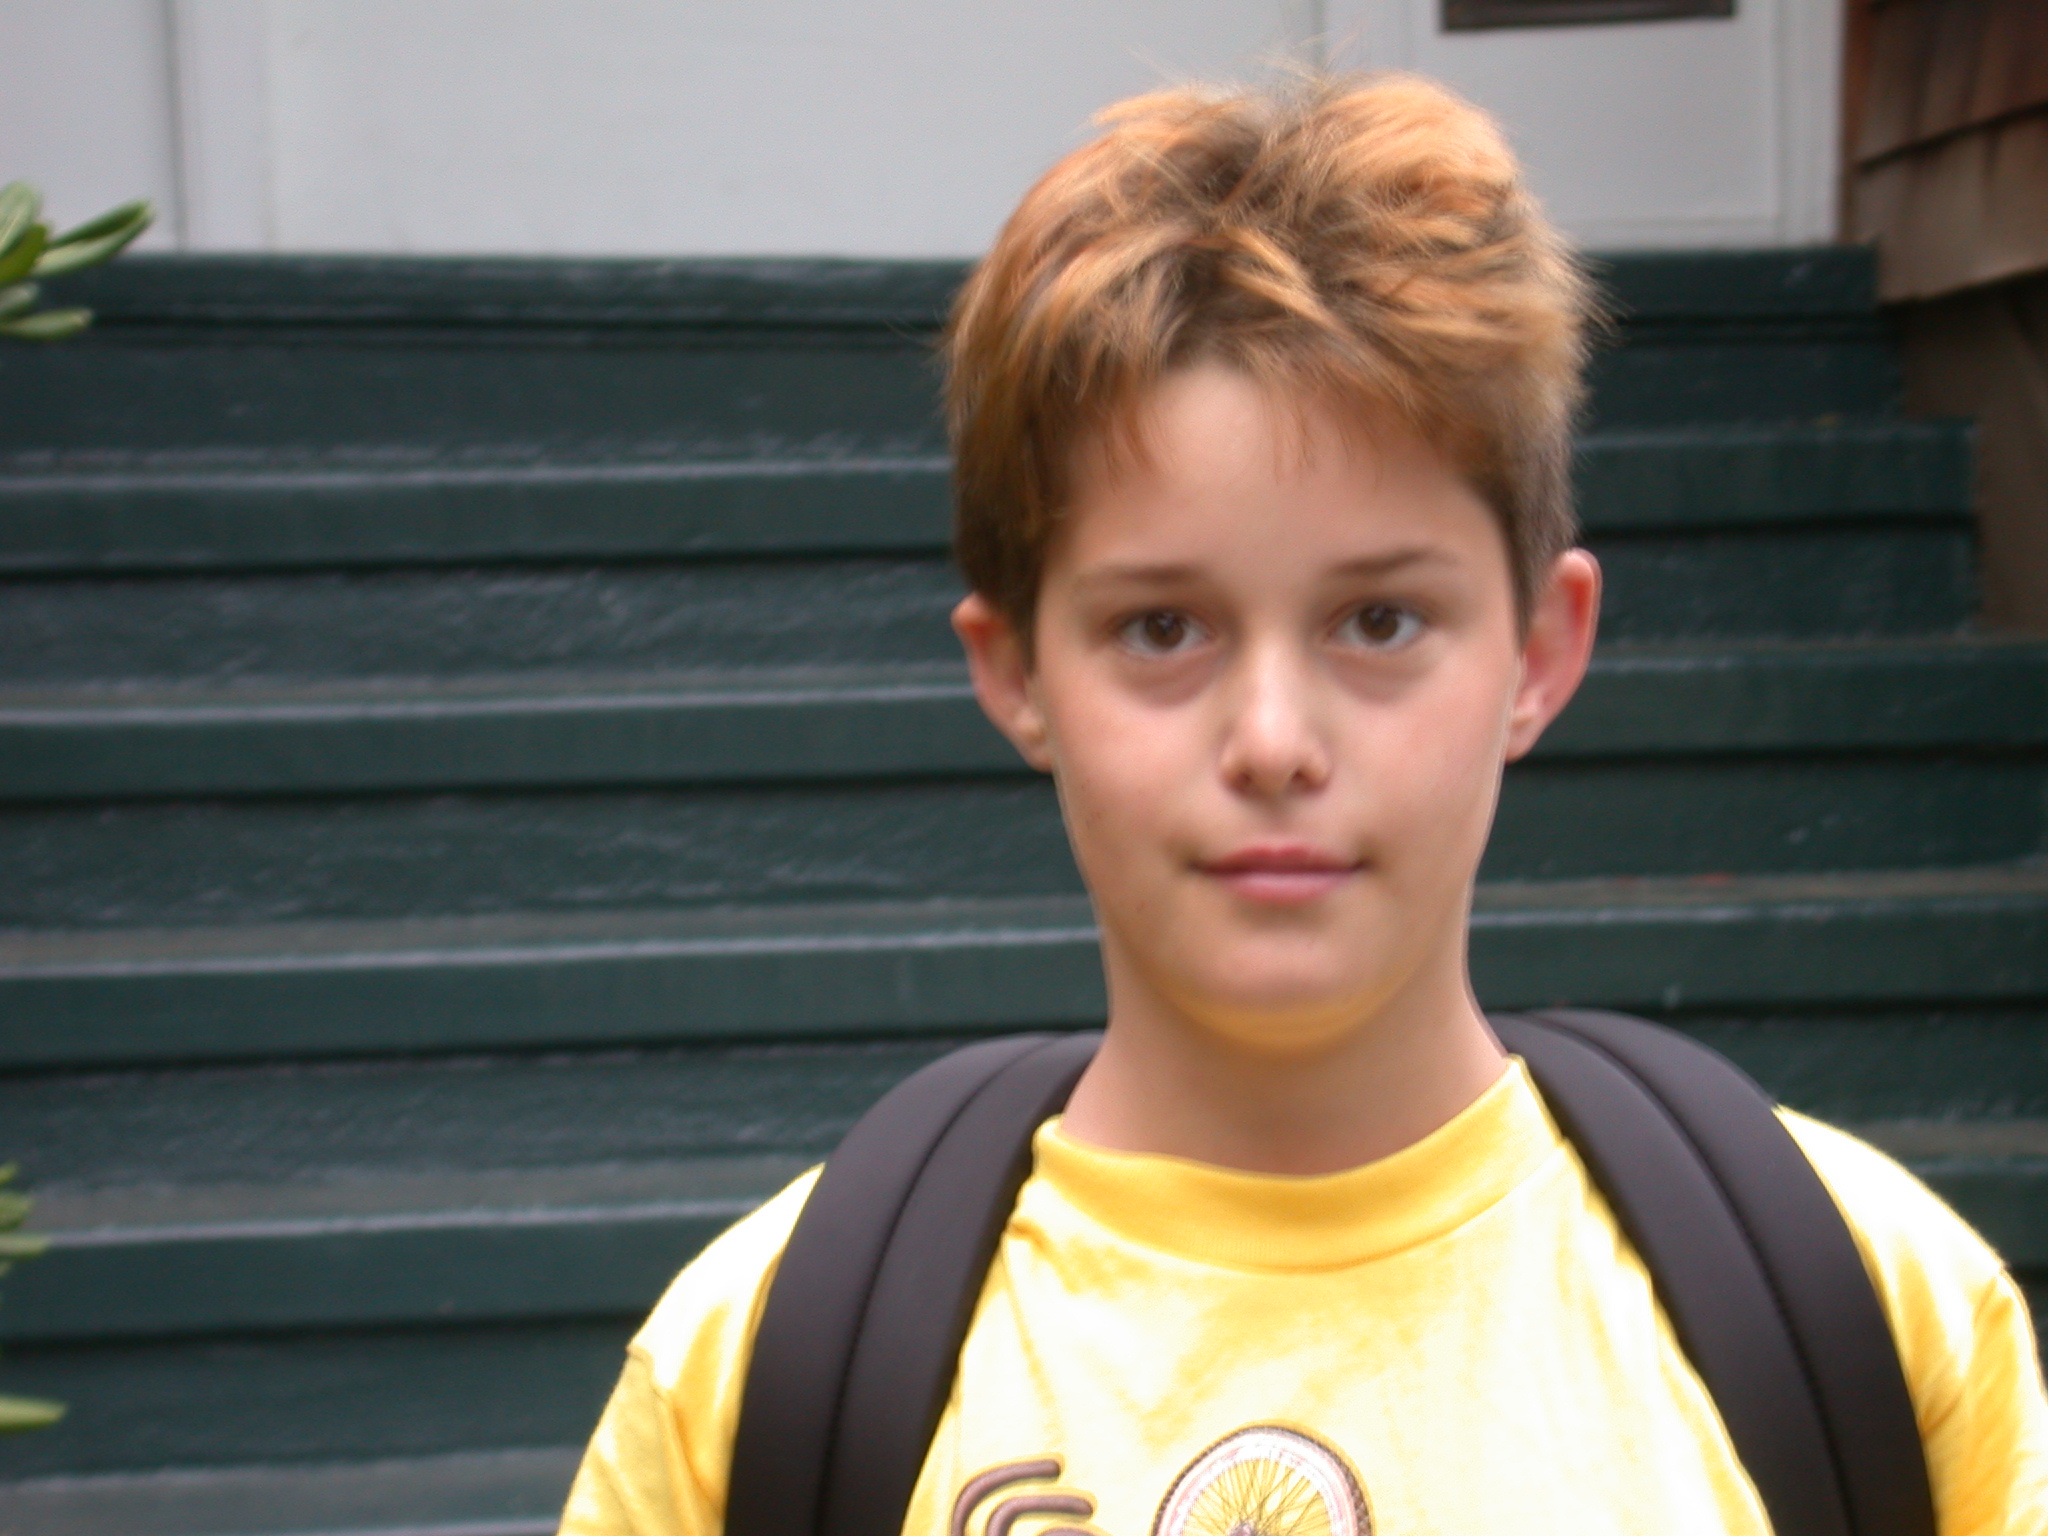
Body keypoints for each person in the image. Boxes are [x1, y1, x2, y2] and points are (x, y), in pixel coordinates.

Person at [560, 74, 2048, 1536]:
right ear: (1016, 672)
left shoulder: (1880, 1316)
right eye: (1161, 629)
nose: (1273, 742)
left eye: (1379, 622)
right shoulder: (754, 1376)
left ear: (1539, 654)